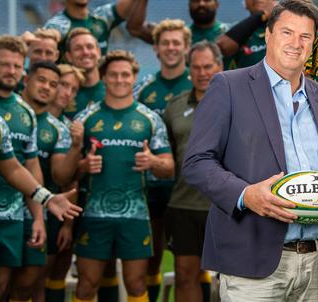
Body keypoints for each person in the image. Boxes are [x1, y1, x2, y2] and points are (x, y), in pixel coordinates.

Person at [182, 0, 318, 301]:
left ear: (315, 43)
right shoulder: (228, 86)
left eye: (305, 36)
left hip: (314, 260)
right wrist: (246, 195)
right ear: (268, 35)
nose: (296, 43)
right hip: (252, 262)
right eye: (287, 32)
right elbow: (197, 162)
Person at [0, 35, 82, 301]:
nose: (11, 71)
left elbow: (19, 168)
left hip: (10, 215)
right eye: (5, 64)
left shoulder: (16, 118)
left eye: (17, 65)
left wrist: (42, 209)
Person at [71, 50, 173, 302]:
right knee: (86, 285)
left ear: (134, 77)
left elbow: (169, 167)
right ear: (104, 78)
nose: (119, 79)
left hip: (135, 215)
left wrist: (153, 162)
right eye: (113, 75)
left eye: (125, 74)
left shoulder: (150, 119)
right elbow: (63, 173)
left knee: (137, 284)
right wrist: (82, 164)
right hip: (95, 215)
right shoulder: (84, 118)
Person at [132, 19, 193, 301]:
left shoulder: (201, 84)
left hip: (191, 188)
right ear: (155, 48)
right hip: (153, 184)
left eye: (176, 43)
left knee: (192, 260)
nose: (171, 48)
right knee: (152, 255)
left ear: (186, 47)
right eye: (165, 43)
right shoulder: (144, 88)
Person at [12, 61, 83, 302]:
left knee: (31, 283)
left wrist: (76, 148)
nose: (59, 90)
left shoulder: (59, 129)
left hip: (41, 212)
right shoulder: (5, 114)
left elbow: (61, 177)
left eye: (56, 84)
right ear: (27, 79)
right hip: (0, 212)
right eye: (59, 84)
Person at [163, 41, 223, 302]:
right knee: (185, 274)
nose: (202, 72)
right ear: (189, 69)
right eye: (196, 67)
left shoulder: (238, 102)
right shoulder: (174, 107)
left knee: (230, 278)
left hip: (225, 204)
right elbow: (171, 152)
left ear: (219, 66)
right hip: (184, 203)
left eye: (207, 66)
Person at [41, 64, 86, 302]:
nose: (68, 92)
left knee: (53, 271)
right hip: (27, 209)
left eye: (74, 89)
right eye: (63, 85)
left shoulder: (71, 128)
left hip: (56, 212)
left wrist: (68, 225)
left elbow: (70, 180)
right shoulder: (30, 117)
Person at [127, 0, 231, 46]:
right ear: (189, 5)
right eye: (195, 0)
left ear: (217, 4)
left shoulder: (231, 32)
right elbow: (135, 28)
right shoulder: (176, 36)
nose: (201, 4)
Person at [63, 28, 105, 119]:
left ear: (98, 52)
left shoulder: (112, 92)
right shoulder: (61, 93)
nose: (85, 52)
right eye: (78, 48)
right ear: (69, 57)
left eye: (90, 47)